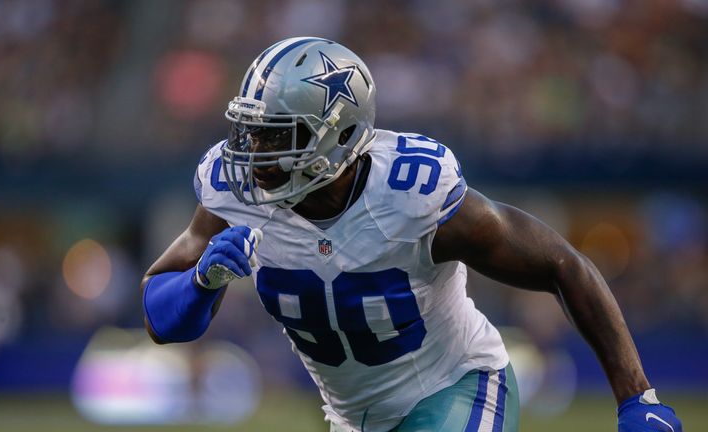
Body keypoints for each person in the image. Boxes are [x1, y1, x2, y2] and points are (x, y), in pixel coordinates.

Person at [141, 37, 682, 432]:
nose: (254, 155)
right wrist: (202, 282)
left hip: (457, 387)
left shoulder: (411, 194)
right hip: (353, 421)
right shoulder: (232, 189)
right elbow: (160, 319)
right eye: (252, 134)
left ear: (339, 137)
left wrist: (637, 397)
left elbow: (562, 264)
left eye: (277, 137)